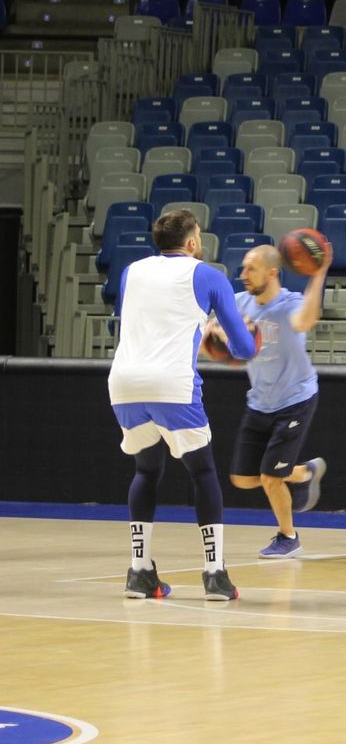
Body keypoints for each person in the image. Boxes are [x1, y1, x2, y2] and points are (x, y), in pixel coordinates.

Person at [108, 208, 257, 601]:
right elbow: (243, 347)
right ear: (192, 243)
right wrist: (224, 334)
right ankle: (214, 575)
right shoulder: (207, 274)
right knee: (202, 472)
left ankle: (139, 572)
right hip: (172, 382)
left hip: (124, 381)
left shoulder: (131, 271)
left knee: (146, 470)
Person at [217, 244, 330, 559]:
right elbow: (207, 338)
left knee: (269, 478)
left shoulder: (290, 304)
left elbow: (306, 320)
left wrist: (318, 275)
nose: (243, 275)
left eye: (250, 269)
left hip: (295, 400)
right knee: (241, 479)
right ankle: (303, 472)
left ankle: (288, 536)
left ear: (271, 272)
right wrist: (215, 335)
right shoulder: (238, 304)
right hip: (259, 402)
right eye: (242, 269)